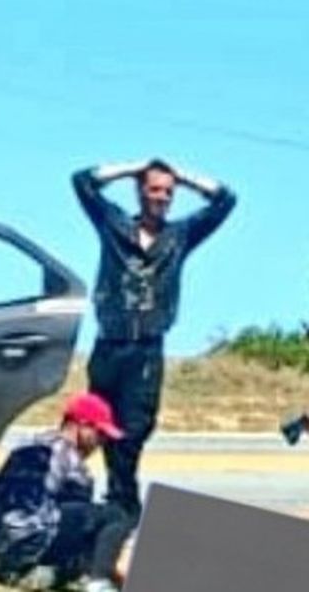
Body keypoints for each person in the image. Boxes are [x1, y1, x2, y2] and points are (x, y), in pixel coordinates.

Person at [72, 159, 236, 521]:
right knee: (96, 425)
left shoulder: (180, 235)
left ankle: (122, 505)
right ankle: (115, 505)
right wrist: (131, 168)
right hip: (109, 344)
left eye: (168, 192)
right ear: (140, 191)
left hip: (145, 349)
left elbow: (225, 200)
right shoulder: (114, 224)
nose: (161, 198)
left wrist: (184, 177)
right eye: (154, 189)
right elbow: (82, 182)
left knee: (132, 431)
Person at [0, 393, 133, 592]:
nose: (102, 442)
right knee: (115, 516)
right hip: (26, 543)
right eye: (100, 433)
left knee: (82, 522)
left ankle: (31, 573)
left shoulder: (31, 444)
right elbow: (86, 530)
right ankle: (97, 583)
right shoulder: (70, 461)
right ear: (82, 426)